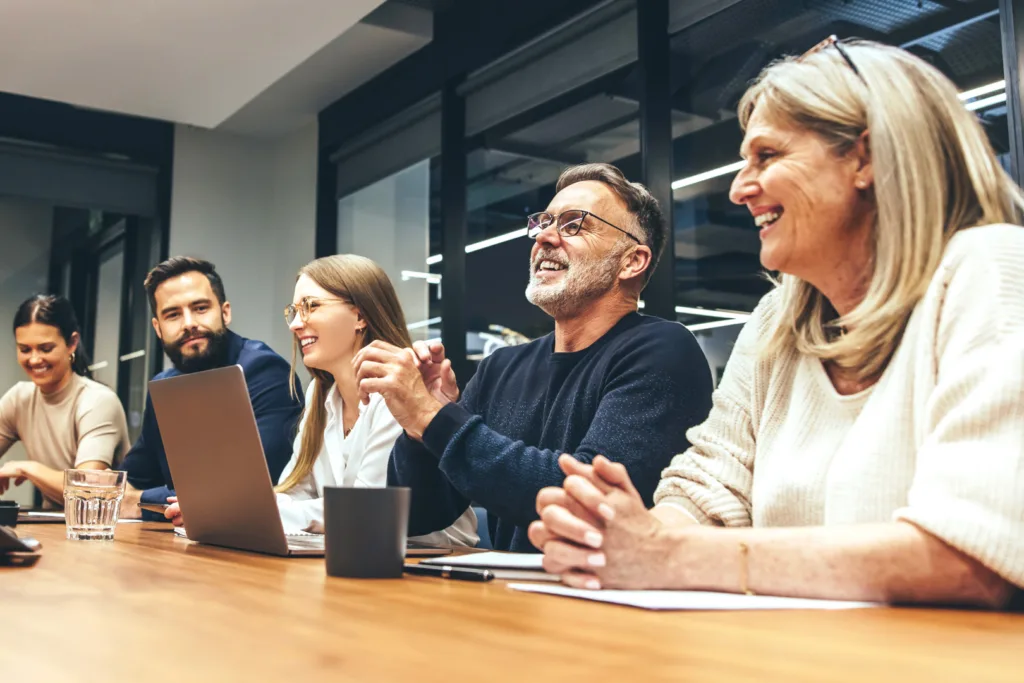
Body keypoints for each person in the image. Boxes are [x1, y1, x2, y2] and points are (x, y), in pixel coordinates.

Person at [529, 38, 1024, 608]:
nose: (740, 188)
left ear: (865, 159)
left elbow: (969, 557)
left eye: (767, 156)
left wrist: (665, 555)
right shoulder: (776, 320)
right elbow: (708, 488)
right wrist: (617, 538)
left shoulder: (991, 268)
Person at [353, 163, 714, 552]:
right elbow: (420, 516)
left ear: (631, 261)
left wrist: (434, 417)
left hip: (603, 602)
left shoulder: (662, 350)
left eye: (574, 224)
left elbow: (584, 504)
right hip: (510, 598)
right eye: (543, 222)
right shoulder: (501, 367)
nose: (544, 236)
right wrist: (418, 431)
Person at [163, 255, 476, 545]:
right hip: (360, 555)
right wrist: (224, 506)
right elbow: (296, 491)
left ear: (360, 315)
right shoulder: (320, 394)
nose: (295, 324)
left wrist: (238, 511)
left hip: (436, 565)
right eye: (294, 311)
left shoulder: (403, 387)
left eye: (311, 306)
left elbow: (366, 508)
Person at [121, 256, 303, 518]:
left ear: (225, 312)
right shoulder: (164, 386)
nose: (189, 323)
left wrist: (137, 502)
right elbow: (131, 479)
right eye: (173, 314)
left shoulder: (265, 372)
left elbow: (250, 488)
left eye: (200, 308)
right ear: (158, 329)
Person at [0, 294, 129, 505]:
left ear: (71, 344)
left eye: (45, 348)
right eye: (25, 349)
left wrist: (28, 468)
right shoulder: (19, 399)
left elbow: (86, 491)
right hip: (54, 527)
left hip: (105, 530)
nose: (34, 359)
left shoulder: (97, 401)